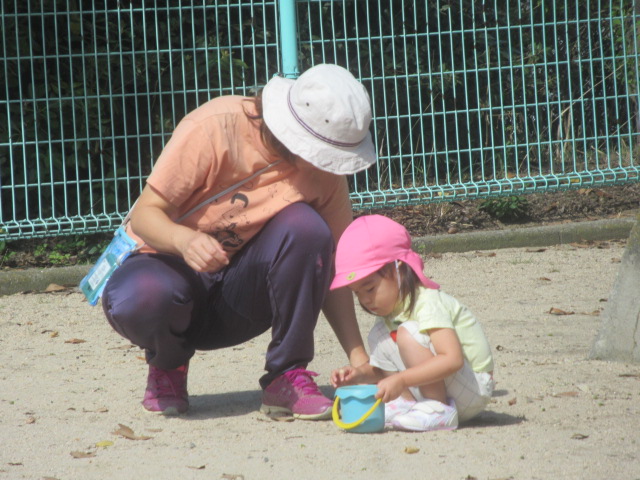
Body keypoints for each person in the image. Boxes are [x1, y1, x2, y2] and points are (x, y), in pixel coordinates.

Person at [101, 64, 375, 420]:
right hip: (168, 273)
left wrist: (360, 359)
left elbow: (333, 267)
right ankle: (168, 365)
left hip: (239, 299)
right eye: (324, 153)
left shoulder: (325, 175)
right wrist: (184, 241)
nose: (329, 165)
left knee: (308, 229)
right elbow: (145, 215)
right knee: (145, 295)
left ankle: (287, 375)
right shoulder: (215, 126)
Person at [330, 215, 495, 431]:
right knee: (380, 335)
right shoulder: (391, 313)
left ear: (399, 267)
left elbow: (452, 359)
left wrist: (401, 380)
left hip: (474, 387)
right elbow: (385, 369)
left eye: (370, 288)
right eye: (357, 293)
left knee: (407, 333)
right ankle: (406, 403)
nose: (365, 300)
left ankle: (438, 408)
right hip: (449, 385)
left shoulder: (427, 302)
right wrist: (358, 374)